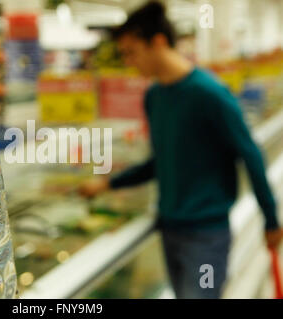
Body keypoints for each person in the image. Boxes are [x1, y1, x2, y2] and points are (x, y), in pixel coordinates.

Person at [79, 1, 282, 299]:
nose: (128, 62)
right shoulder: (155, 97)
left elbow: (250, 154)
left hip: (207, 238)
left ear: (158, 42)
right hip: (170, 231)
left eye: (131, 52)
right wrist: (108, 183)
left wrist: (271, 219)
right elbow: (160, 162)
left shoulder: (209, 94)